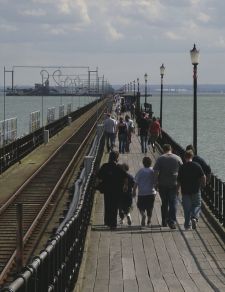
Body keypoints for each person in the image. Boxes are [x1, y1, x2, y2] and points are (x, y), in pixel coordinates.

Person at [153, 144, 183, 229]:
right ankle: (172, 221)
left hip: (162, 184)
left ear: (163, 149)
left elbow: (156, 172)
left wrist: (155, 183)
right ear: (171, 149)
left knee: (165, 203)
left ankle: (164, 221)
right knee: (173, 203)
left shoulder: (160, 158)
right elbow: (182, 171)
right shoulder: (177, 158)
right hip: (174, 184)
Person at [97, 151, 128, 229]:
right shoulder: (118, 168)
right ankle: (113, 224)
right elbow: (125, 176)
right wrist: (125, 186)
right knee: (114, 207)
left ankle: (107, 221)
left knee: (107, 205)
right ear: (116, 158)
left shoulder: (105, 166)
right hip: (117, 190)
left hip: (107, 190)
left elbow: (99, 176)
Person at [177, 150, 206, 230]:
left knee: (186, 208)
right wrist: (203, 184)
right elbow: (203, 176)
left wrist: (177, 190)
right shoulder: (197, 165)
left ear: (184, 157)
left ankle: (187, 225)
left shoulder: (182, 167)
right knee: (197, 205)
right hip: (196, 190)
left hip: (185, 191)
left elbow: (178, 180)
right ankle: (194, 217)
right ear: (192, 157)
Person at [133, 157, 156, 227]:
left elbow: (136, 182)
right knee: (150, 207)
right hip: (151, 192)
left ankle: (143, 215)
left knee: (140, 206)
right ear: (151, 163)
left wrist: (134, 191)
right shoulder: (153, 171)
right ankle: (149, 221)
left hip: (142, 192)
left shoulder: (141, 171)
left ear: (143, 163)